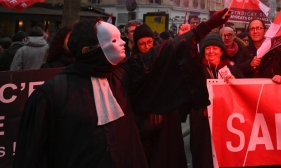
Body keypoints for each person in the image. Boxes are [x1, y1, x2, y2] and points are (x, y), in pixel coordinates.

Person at [14, 9, 230, 168]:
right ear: (90, 50)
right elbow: (32, 155)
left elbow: (165, 53)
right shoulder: (51, 95)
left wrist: (205, 27)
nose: (123, 43)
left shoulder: (122, 73)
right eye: (114, 40)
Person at [131, 24, 187, 168]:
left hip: (168, 117)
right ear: (136, 45)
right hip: (147, 120)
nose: (147, 46)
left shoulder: (160, 55)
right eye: (142, 44)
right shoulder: (134, 63)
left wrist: (181, 37)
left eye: (149, 42)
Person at [190, 33, 243, 168]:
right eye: (207, 48)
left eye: (215, 48)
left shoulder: (231, 69)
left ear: (221, 51)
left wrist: (235, 84)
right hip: (203, 123)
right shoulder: (196, 70)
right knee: (203, 157)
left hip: (228, 123)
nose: (211, 51)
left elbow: (243, 93)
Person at [238, 19, 281, 84]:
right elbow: (238, 70)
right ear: (249, 33)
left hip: (274, 90)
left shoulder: (280, 51)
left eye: (259, 28)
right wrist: (250, 65)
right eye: (252, 29)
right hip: (253, 91)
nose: (255, 31)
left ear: (265, 31)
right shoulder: (245, 51)